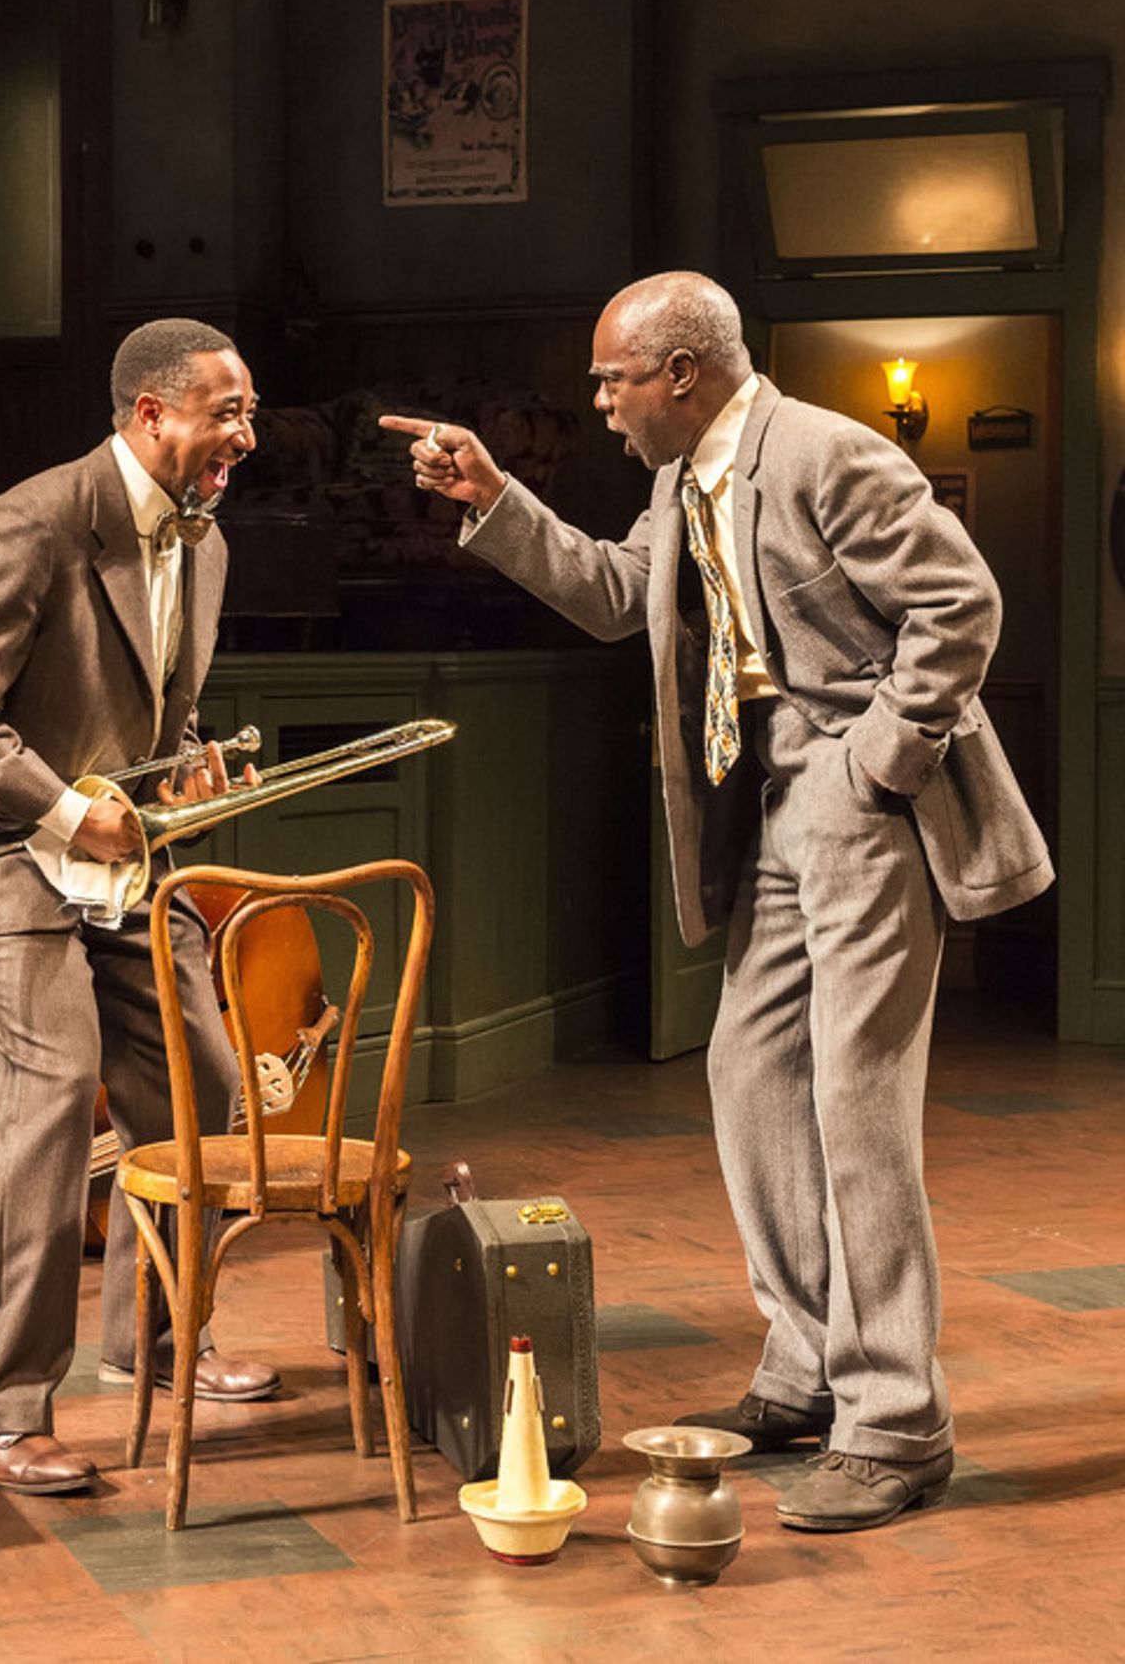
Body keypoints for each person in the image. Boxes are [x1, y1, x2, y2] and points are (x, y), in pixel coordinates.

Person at [381, 272, 1053, 1532]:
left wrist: (876, 763)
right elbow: (618, 595)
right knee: (749, 1079)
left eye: (610, 379)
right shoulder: (678, 479)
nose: (598, 402)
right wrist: (494, 500)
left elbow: (959, 606)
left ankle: (896, 1420)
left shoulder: (824, 454)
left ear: (679, 372)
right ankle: (806, 1369)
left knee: (854, 1104)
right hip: (763, 809)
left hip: (857, 802)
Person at [0, 318, 279, 1496]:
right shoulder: (36, 522)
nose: (244, 438)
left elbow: (158, 710)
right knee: (52, 1095)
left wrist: (192, 767)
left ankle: (154, 1342)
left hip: (118, 859)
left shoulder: (204, 545)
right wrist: (64, 810)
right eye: (226, 414)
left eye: (247, 413)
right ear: (150, 413)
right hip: (0, 855)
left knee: (203, 1078)